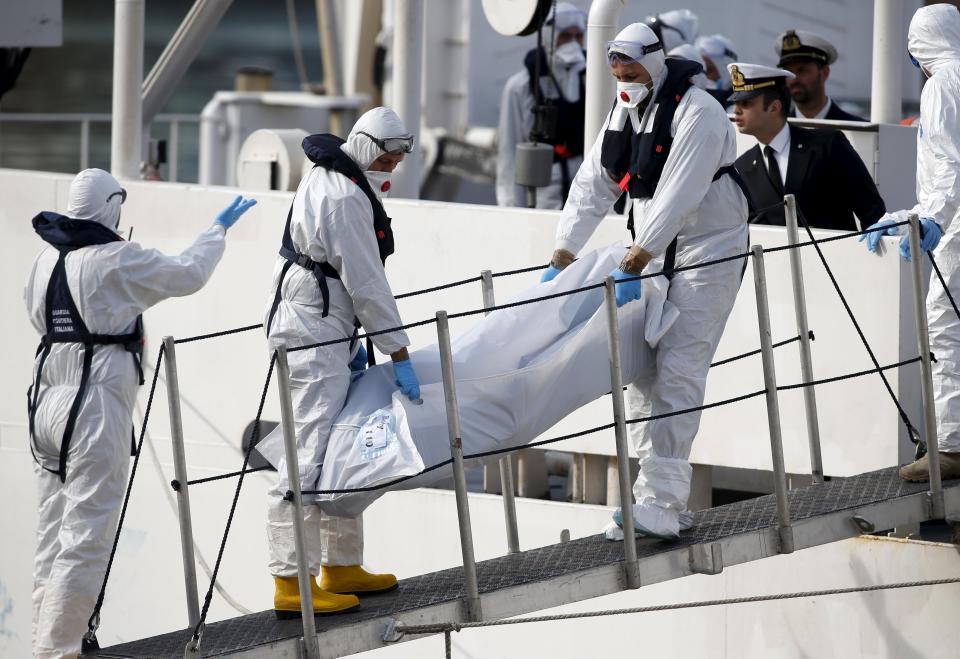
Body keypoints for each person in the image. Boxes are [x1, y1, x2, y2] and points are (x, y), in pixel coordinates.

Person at [25, 168, 255, 659]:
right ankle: (60, 650)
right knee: (87, 533)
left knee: (52, 529)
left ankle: (43, 643)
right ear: (111, 208)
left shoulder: (45, 261)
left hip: (44, 403)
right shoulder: (116, 259)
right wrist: (217, 231)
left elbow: (37, 317)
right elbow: (188, 273)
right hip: (93, 405)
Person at [541, 23, 749, 539]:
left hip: (708, 249)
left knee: (679, 367)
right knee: (640, 374)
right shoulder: (625, 111)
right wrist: (564, 251)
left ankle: (663, 499)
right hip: (650, 250)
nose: (622, 79)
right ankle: (648, 499)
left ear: (654, 62)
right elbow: (595, 180)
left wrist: (633, 263)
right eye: (615, 70)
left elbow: (680, 194)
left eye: (630, 70)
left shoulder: (698, 111)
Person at [262, 106, 421, 618]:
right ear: (373, 148)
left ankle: (341, 565)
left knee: (342, 442)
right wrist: (398, 351)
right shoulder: (344, 198)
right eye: (392, 156)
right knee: (306, 451)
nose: (395, 166)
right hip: (314, 330)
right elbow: (367, 281)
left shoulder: (342, 176)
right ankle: (293, 580)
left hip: (328, 323)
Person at [861, 4, 960, 482]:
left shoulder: (942, 83)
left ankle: (953, 448)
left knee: (945, 331)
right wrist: (909, 215)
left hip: (957, 229)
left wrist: (931, 221)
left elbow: (948, 166)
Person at [731, 63, 886, 230]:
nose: (736, 110)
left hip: (834, 255)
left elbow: (872, 211)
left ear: (774, 107)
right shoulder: (743, 166)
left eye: (746, 103)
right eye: (736, 103)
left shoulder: (828, 146)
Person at [496, 2, 587, 209]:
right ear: (549, 37)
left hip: (584, 192)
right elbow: (509, 151)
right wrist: (511, 207)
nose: (572, 43)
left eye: (578, 36)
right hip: (542, 192)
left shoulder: (592, 81)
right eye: (565, 36)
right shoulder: (520, 87)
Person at [775, 29, 866, 122]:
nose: (794, 79)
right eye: (788, 72)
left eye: (802, 70)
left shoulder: (856, 130)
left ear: (825, 72)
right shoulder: (776, 130)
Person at [694, 34, 738, 103]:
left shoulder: (739, 108)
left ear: (727, 72)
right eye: (699, 71)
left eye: (708, 70)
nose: (703, 77)